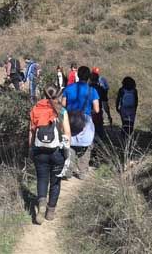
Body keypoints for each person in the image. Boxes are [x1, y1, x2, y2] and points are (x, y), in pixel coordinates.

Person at [29, 85, 72, 224]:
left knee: (42, 179)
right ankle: (50, 212)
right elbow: (67, 133)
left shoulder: (36, 109)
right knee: (55, 182)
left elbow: (31, 131)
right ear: (58, 96)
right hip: (57, 152)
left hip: (39, 151)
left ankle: (41, 203)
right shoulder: (62, 111)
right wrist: (67, 153)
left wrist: (31, 149)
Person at [61, 66, 100, 180]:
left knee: (71, 144)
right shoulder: (92, 90)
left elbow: (63, 105)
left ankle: (68, 171)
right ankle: (82, 172)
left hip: (71, 119)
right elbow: (97, 110)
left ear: (78, 75)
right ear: (89, 77)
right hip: (85, 120)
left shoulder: (69, 88)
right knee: (86, 145)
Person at [89, 72, 107, 141]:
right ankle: (99, 148)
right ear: (97, 80)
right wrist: (108, 114)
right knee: (99, 131)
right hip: (98, 112)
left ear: (90, 79)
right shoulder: (101, 89)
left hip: (88, 112)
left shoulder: (86, 88)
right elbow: (105, 103)